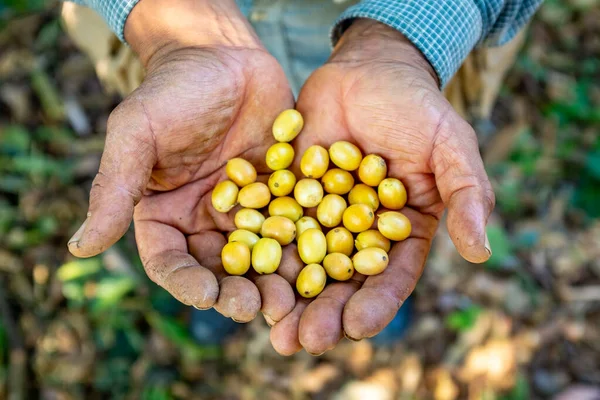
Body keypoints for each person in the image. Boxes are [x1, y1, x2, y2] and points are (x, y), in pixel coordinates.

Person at [64, 0, 543, 356]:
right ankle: (218, 298)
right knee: (185, 181)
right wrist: (180, 26)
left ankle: (377, 291)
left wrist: (400, 40)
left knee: (417, 175)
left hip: (398, 49)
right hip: (186, 65)